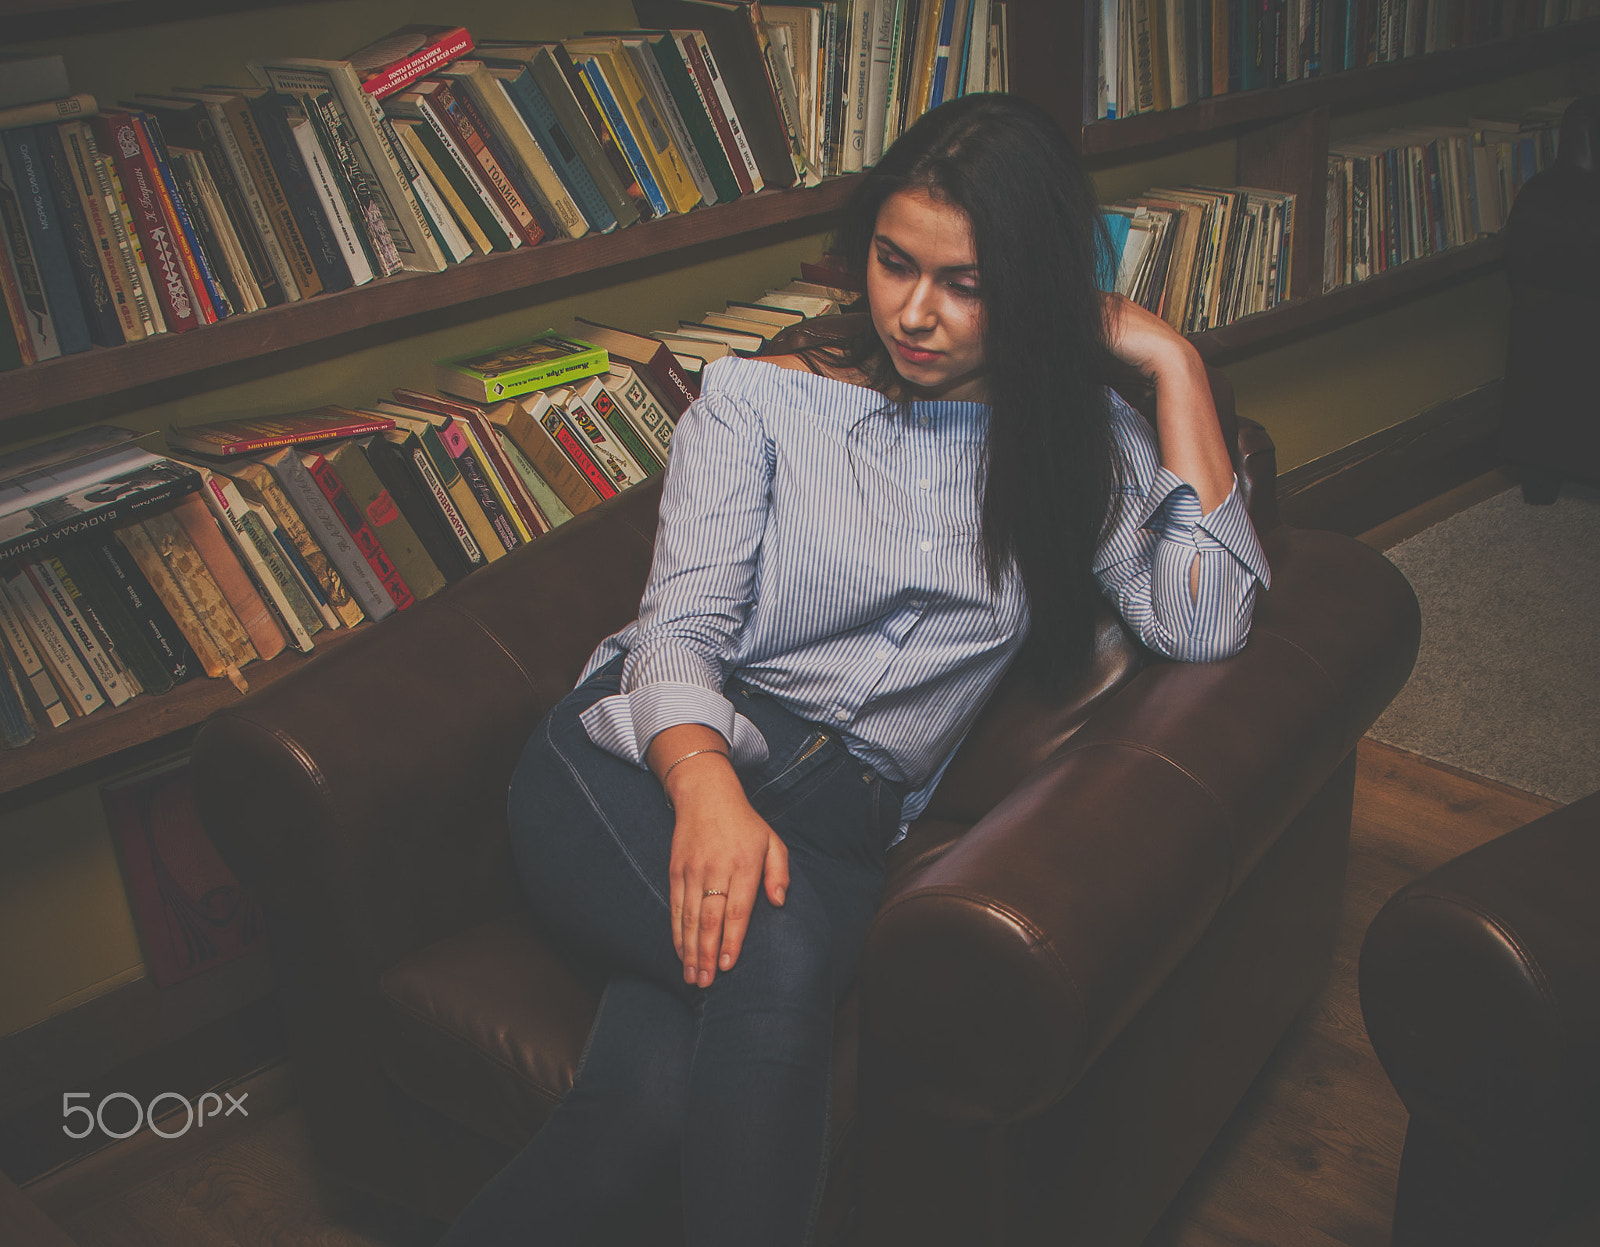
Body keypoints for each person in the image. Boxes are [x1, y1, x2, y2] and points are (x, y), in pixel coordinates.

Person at [438, 93, 1270, 1247]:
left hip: (842, 827)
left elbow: (1211, 615)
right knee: (769, 971)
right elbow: (679, 627)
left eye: (965, 283)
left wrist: (1168, 357)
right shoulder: (760, 403)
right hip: (638, 763)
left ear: (1031, 287)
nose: (914, 313)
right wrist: (707, 789)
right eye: (892, 263)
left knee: (642, 1104)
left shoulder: (1073, 440)